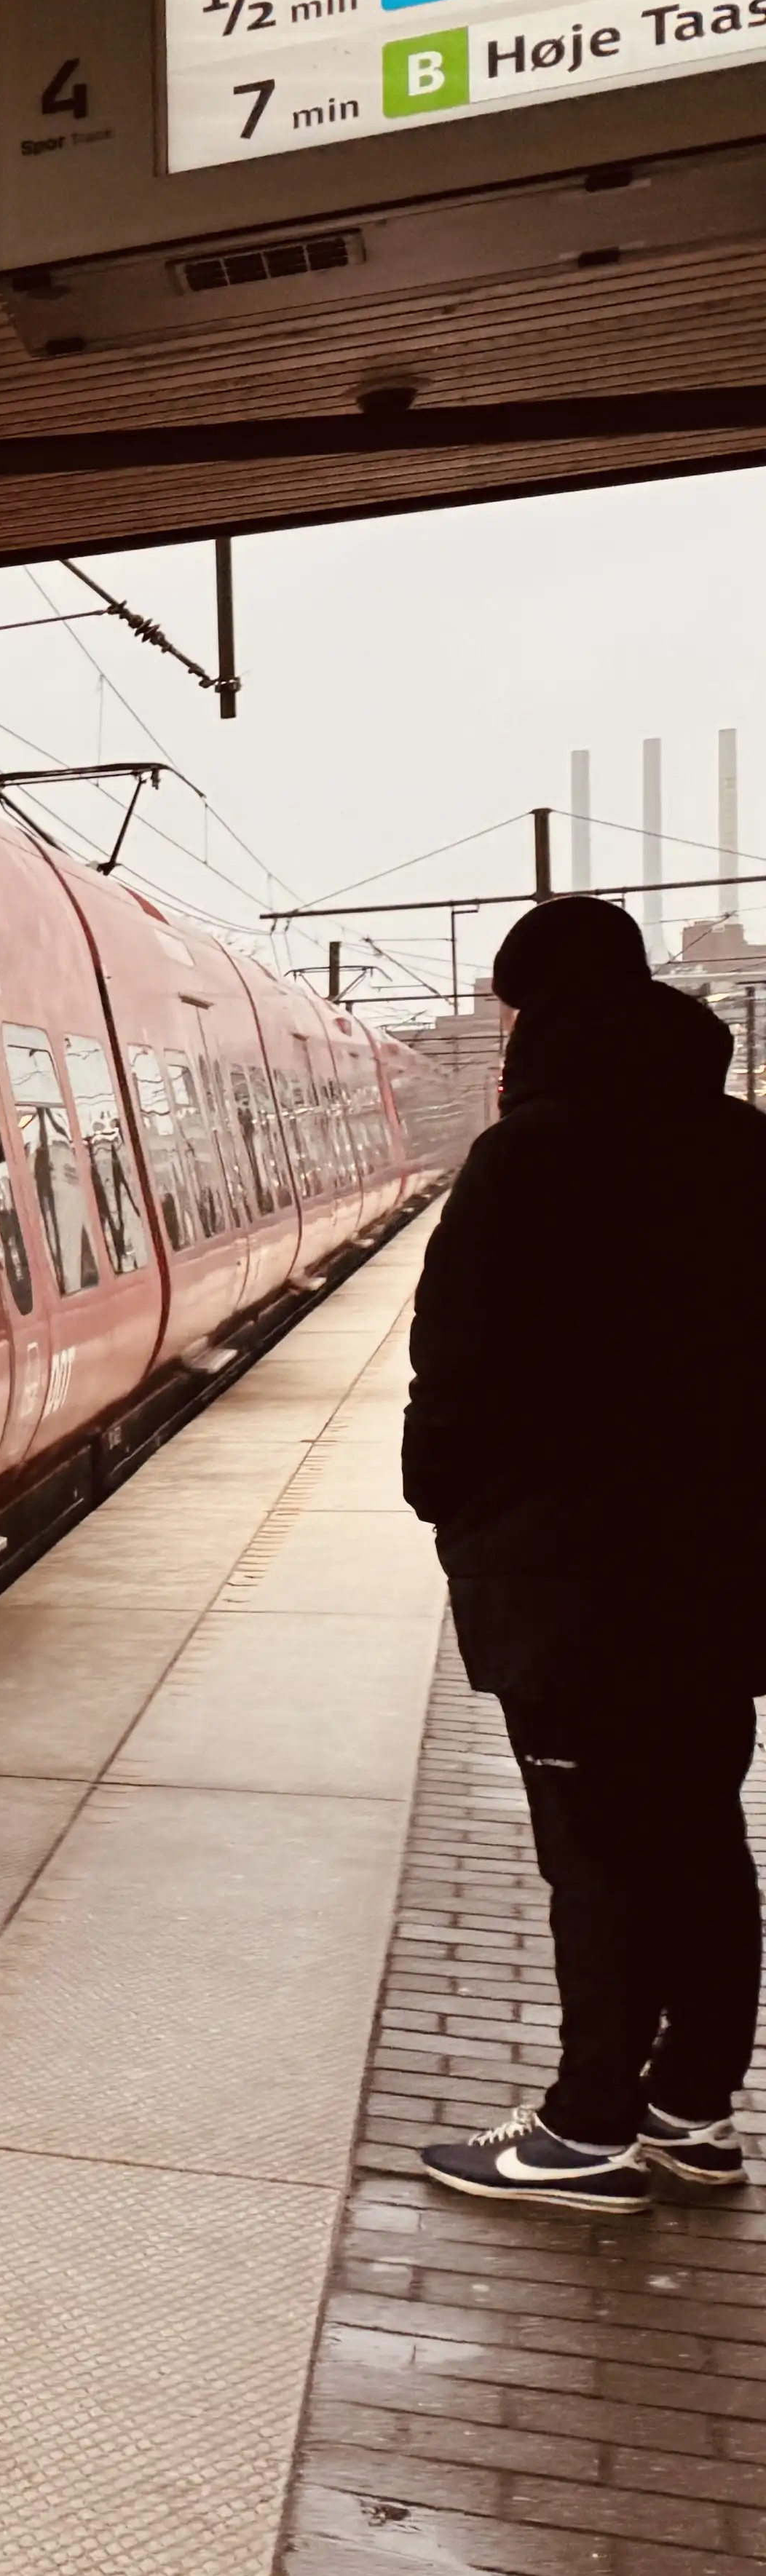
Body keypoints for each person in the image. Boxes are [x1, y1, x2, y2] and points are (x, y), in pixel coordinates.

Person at [404, 893, 766, 2212]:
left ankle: (588, 2124)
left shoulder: (530, 1159)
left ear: (534, 1011)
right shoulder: (746, 1149)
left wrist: (448, 1507)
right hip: (722, 1575)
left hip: (570, 1578)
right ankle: (694, 2110)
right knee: (703, 1833)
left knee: (595, 1851)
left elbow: (455, 1367)